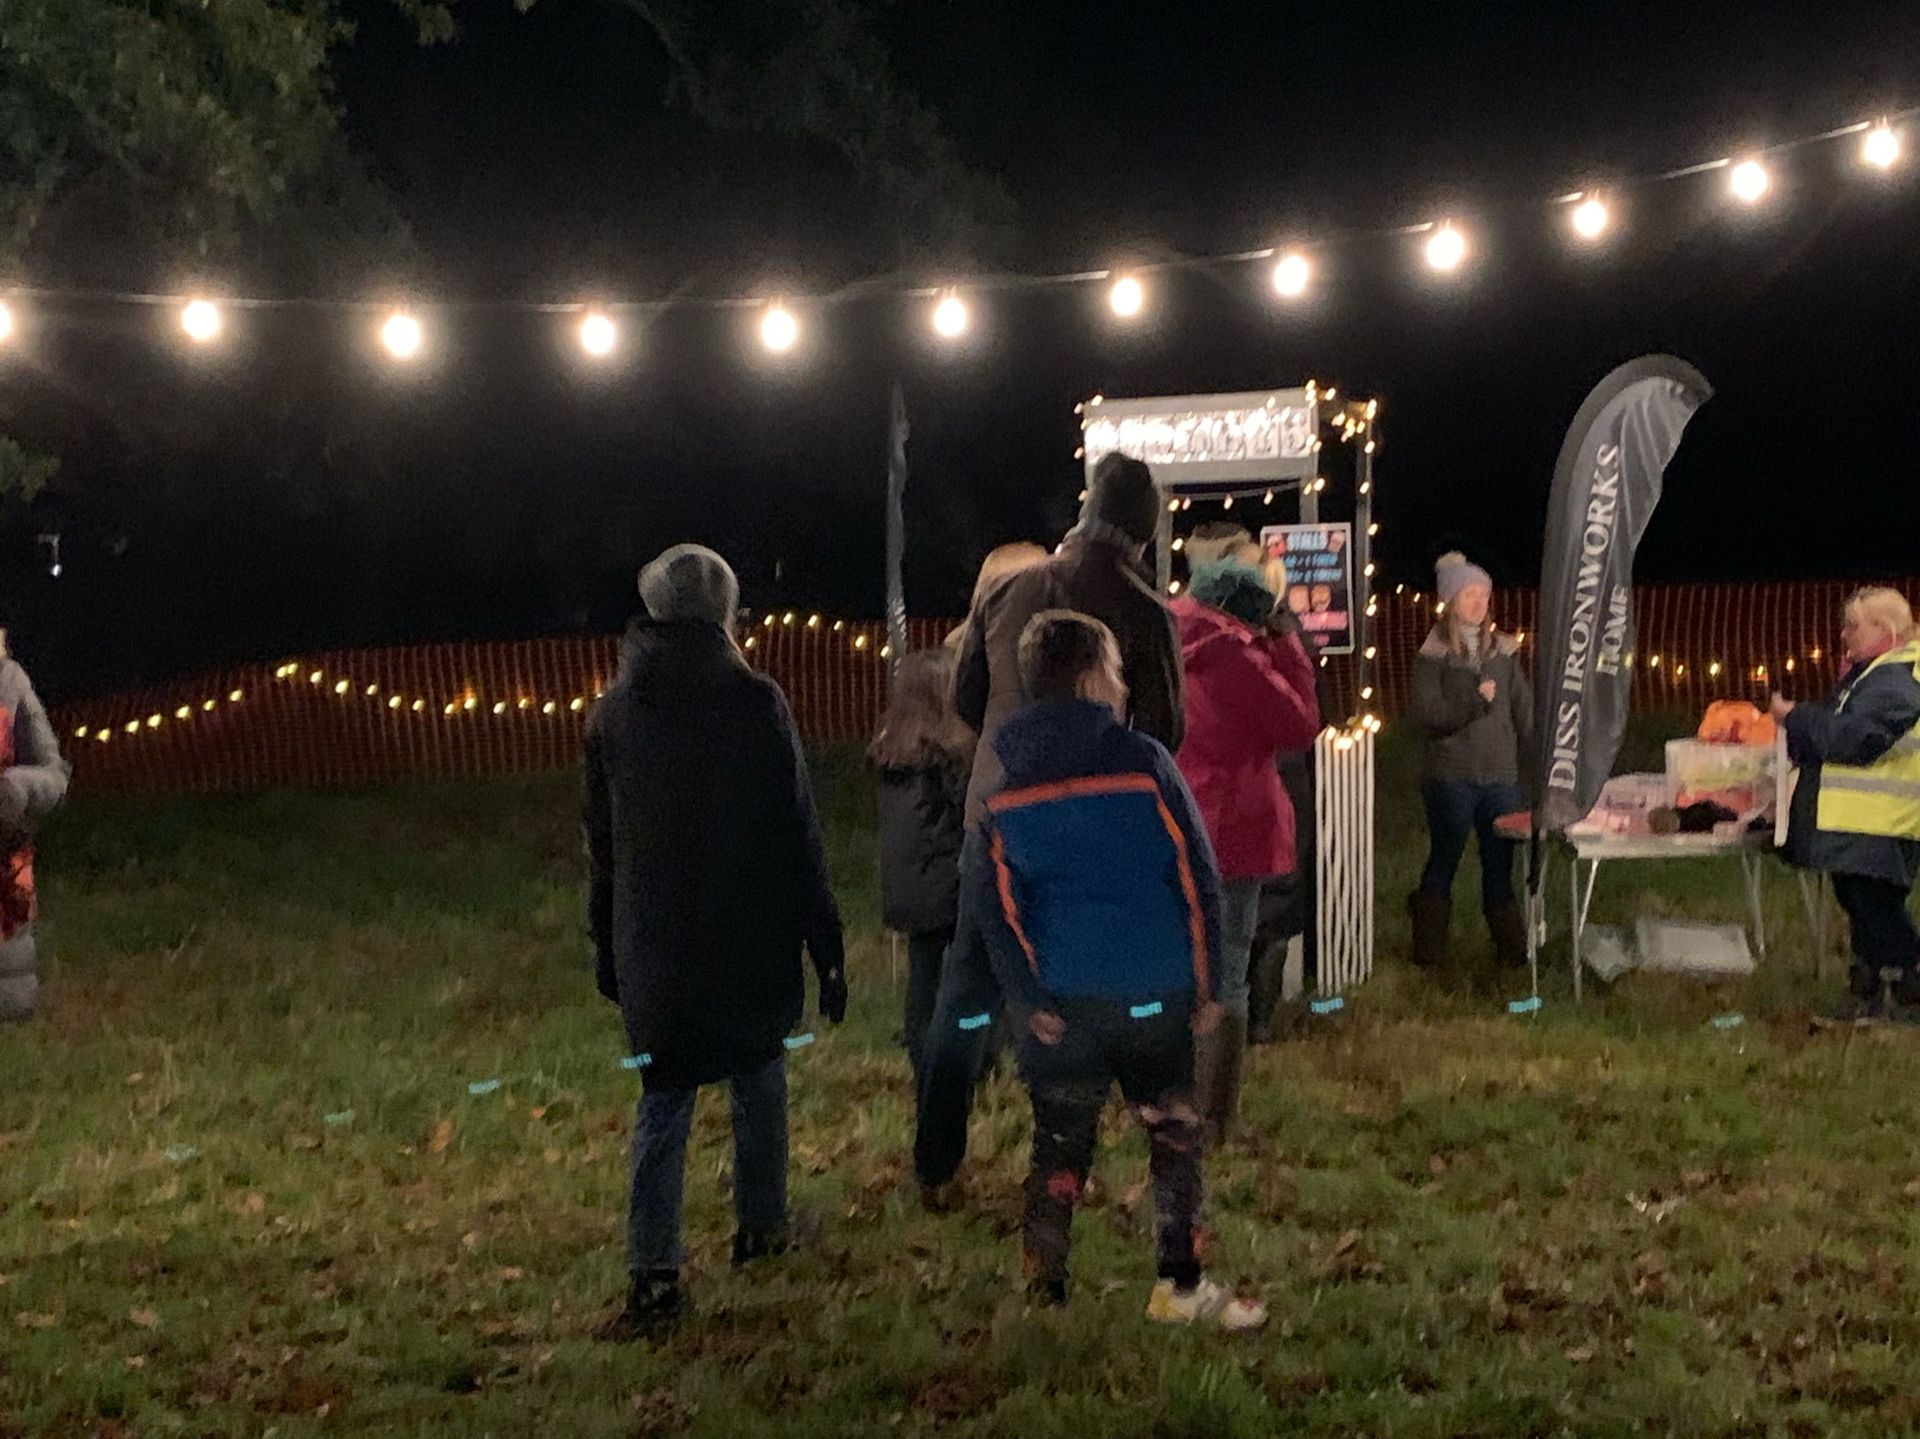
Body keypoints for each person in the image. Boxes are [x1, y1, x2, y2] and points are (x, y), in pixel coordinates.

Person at [965, 609, 1265, 1328]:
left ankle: (1043, 1288)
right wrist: (1207, 984)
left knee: (1059, 1143)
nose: (1126, 683)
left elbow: (994, 904)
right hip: (1152, 995)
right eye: (1119, 670)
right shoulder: (1144, 764)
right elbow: (1196, 877)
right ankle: (1178, 1282)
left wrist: (1025, 993)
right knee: (1173, 1133)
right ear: (1094, 677)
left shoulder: (1002, 785)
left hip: (1062, 1004)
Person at [585, 544, 847, 1338]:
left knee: (663, 1099)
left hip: (656, 946)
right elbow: (796, 829)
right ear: (726, 611)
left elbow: (604, 847)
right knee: (758, 1073)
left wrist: (608, 948)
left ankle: (654, 1273)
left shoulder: (614, 714)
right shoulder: (755, 700)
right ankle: (761, 1227)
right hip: (751, 932)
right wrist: (825, 942)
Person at [914, 454, 1184, 1199]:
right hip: (1089, 839)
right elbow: (1166, 730)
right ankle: (1062, 1170)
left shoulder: (1006, 589)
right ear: (1144, 530)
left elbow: (967, 698)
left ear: (1086, 506)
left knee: (963, 999)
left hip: (995, 819)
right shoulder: (1144, 610)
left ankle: (936, 1166)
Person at [1169, 555, 1319, 1137]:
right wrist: (1287, 648)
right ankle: (1212, 1114)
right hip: (1234, 825)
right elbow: (1299, 725)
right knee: (1228, 966)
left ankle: (1170, 1088)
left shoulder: (1168, 640)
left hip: (1178, 820)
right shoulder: (1239, 657)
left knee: (1184, 960)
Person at [1773, 587, 1920, 1025]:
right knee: (1863, 904)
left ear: (1883, 628)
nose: (1844, 635)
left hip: (1880, 823)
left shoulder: (1896, 678)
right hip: (1868, 824)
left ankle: (1904, 989)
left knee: (1873, 906)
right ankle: (1873, 994)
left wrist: (1796, 717)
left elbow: (1852, 738)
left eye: (1853, 626)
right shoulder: (1879, 674)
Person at [1408, 551, 1533, 972]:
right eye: (1469, 594)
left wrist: (1536, 760)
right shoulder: (1434, 654)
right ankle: (1428, 955)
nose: (1479, 603)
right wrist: (1473, 702)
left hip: (1501, 778)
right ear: (1451, 601)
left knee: (1500, 865)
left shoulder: (1503, 652)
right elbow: (1429, 717)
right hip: (1451, 778)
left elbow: (1523, 711)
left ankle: (1513, 958)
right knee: (1446, 858)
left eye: (1484, 594)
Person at [870, 647, 972, 1082]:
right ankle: (954, 1066)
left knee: (922, 976)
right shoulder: (945, 757)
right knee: (962, 978)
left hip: (906, 887)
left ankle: (922, 1057)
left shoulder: (890, 754)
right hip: (946, 886)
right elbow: (966, 818)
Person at [0, 637, 72, 1023]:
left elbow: (54, 774)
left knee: (11, 1012)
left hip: (5, 880)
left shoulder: (10, 684)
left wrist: (16, 790)